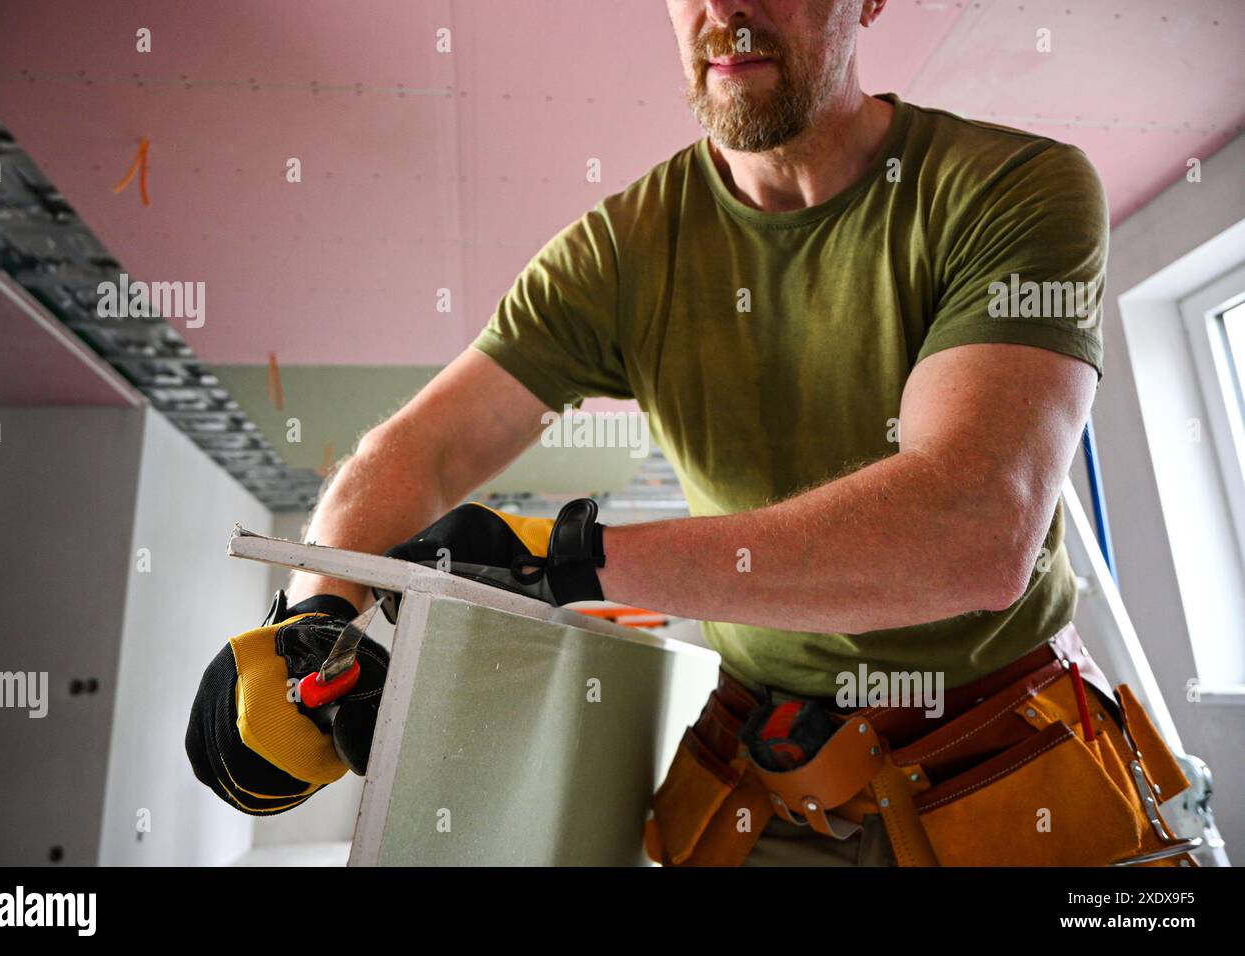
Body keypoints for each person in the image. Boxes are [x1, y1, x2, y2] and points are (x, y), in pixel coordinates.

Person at [187, 1, 1193, 866]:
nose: (725, 7)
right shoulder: (620, 252)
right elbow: (416, 453)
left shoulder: (1012, 188)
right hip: (766, 766)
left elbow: (972, 532)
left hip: (1006, 763)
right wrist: (314, 613)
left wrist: (569, 561)